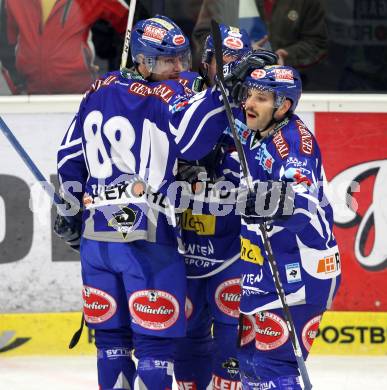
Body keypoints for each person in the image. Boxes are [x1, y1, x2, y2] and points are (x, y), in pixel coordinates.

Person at [54, 15, 254, 390]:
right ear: (142, 61)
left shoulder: (96, 89)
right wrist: (220, 93)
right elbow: (193, 141)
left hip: (98, 241)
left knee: (111, 344)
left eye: (181, 57)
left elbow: (68, 158)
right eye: (168, 60)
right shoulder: (165, 97)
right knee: (155, 345)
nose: (178, 67)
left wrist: (68, 209)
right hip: (146, 239)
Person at [174, 26, 277, 389]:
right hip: (185, 246)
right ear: (207, 62)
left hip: (233, 247)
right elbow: (175, 142)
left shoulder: (255, 107)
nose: (229, 71)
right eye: (223, 62)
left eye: (237, 63)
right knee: (187, 336)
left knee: (232, 339)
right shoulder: (183, 91)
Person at [233, 65, 341, 388]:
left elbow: (304, 202)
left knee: (273, 366)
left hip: (304, 268)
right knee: (250, 365)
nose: (249, 104)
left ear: (283, 107)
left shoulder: (293, 144)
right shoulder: (256, 131)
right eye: (248, 95)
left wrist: (275, 200)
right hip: (269, 266)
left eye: (261, 98)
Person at [3, 0, 129, 94]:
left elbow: (130, 23)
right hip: (29, 98)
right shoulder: (13, 2)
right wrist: (16, 85)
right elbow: (8, 43)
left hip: (80, 97)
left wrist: (120, 81)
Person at [253, 0, 327, 70]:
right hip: (250, 66)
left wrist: (287, 54)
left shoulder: (309, 2)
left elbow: (316, 43)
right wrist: (247, 46)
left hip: (289, 73)